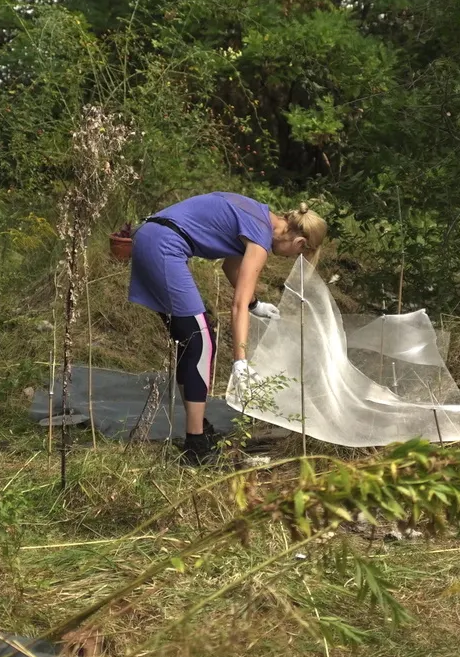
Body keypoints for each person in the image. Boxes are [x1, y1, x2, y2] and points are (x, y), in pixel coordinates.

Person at [128, 192, 327, 463]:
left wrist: (255, 305)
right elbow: (237, 305)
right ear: (299, 241)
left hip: (152, 238)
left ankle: (199, 430)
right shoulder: (259, 237)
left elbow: (230, 267)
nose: (291, 259)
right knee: (200, 341)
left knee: (192, 339)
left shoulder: (259, 215)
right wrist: (241, 361)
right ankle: (196, 447)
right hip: (164, 247)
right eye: (298, 254)